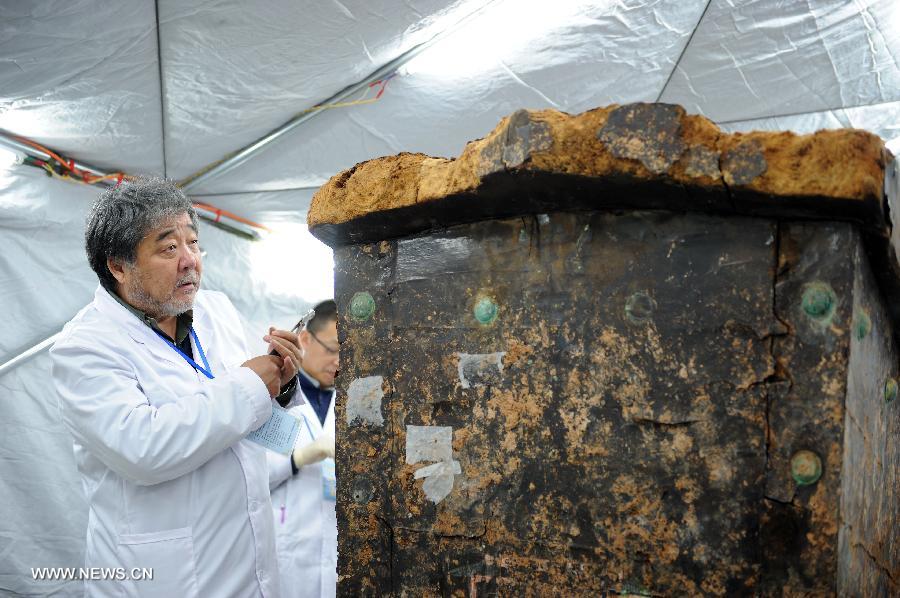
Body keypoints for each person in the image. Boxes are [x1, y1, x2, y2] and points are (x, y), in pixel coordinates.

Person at [51, 176, 302, 597]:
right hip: (161, 578)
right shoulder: (84, 347)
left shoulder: (214, 310)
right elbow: (143, 449)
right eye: (169, 248)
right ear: (118, 266)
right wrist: (249, 384)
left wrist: (280, 381)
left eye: (193, 242)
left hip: (247, 565)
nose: (191, 260)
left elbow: (250, 416)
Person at [267, 300, 339, 598]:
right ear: (306, 338)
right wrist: (301, 457)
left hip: (335, 551)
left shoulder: (350, 402)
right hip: (287, 551)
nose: (339, 361)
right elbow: (249, 475)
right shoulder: (273, 398)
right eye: (333, 348)